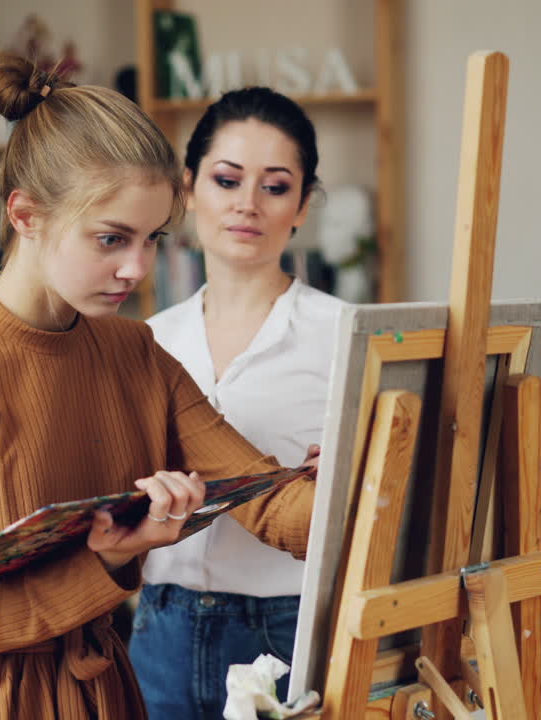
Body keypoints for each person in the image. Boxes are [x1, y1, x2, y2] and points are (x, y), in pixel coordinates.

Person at [0, 55, 318, 720]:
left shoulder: (134, 350)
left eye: (152, 238)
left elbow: (267, 503)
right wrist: (114, 563)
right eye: (111, 238)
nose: (137, 268)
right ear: (25, 215)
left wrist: (368, 479)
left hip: (107, 695)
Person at [129, 87, 345, 719]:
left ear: (302, 205)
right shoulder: (146, 341)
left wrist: (352, 473)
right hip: (159, 627)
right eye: (228, 179)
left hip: (286, 628)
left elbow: (399, 496)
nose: (247, 204)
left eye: (275, 187)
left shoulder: (347, 333)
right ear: (190, 187)